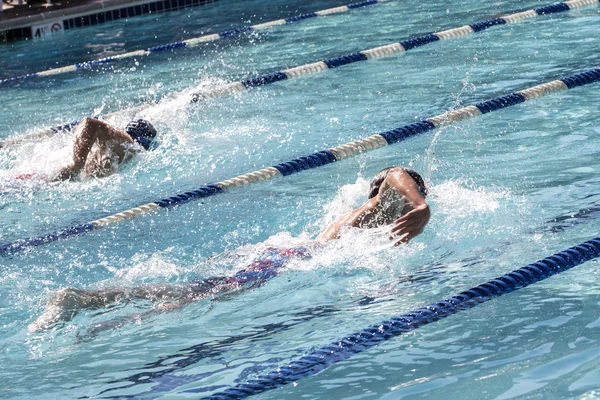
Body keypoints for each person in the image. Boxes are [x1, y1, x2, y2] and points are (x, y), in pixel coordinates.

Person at [29, 167, 430, 332]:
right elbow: (396, 173)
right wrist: (422, 207)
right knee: (195, 295)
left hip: (285, 254)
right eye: (416, 190)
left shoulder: (367, 215)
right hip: (290, 259)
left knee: (198, 293)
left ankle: (99, 310)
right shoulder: (384, 199)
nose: (413, 196)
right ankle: (85, 300)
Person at [52, 117, 157, 181]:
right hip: (61, 176)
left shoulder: (119, 149)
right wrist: (77, 165)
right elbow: (90, 123)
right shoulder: (129, 143)